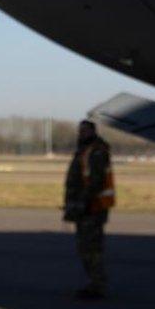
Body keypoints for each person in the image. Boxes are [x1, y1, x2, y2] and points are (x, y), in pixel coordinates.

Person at [64, 119, 114, 299]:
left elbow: (95, 181)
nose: (82, 134)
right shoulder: (85, 150)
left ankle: (98, 285)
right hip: (84, 206)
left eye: (85, 131)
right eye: (80, 131)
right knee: (85, 248)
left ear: (93, 132)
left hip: (92, 208)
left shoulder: (96, 151)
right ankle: (94, 283)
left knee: (91, 248)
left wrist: (82, 203)